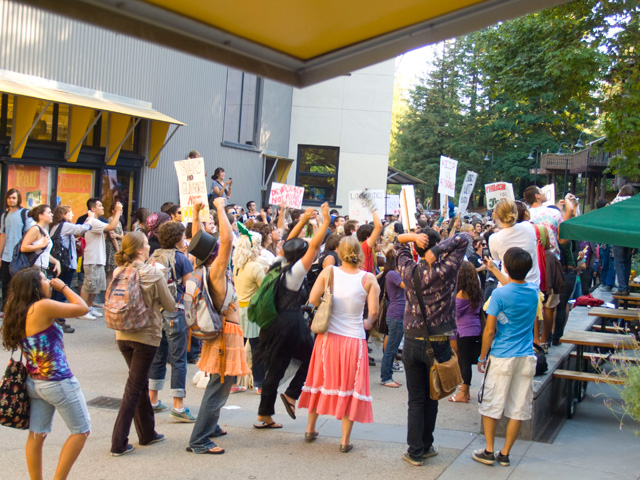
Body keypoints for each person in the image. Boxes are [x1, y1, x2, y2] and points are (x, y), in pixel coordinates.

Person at [1, 267, 90, 479]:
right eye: (43, 279)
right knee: (81, 431)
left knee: (37, 433)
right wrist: (64, 287)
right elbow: (83, 308)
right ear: (34, 287)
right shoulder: (42, 306)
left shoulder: (19, 310)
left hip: (34, 383)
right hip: (58, 382)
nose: (49, 281)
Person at [394, 227, 469, 466]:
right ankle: (426, 446)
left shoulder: (408, 269)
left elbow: (397, 242)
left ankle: (415, 451)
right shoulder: (448, 269)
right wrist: (438, 249)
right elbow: (463, 238)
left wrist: (412, 238)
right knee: (432, 396)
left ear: (416, 249)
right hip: (439, 344)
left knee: (416, 399)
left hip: (412, 342)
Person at [298, 236, 379, 452]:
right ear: (359, 254)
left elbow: (312, 300)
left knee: (320, 379)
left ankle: (310, 428)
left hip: (328, 337)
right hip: (354, 339)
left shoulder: (329, 272)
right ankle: (344, 441)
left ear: (339, 253)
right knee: (349, 386)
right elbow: (373, 312)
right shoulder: (369, 279)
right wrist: (367, 322)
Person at [254, 203, 331, 429]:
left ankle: (264, 415)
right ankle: (291, 394)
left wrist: (304, 220)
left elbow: (287, 240)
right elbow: (315, 247)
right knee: (313, 357)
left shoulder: (277, 262)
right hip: (291, 322)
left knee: (276, 368)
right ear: (300, 255)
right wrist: (324, 220)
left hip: (273, 322)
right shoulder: (296, 271)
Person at [186, 198, 251, 454]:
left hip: (223, 332)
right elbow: (226, 241)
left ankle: (210, 427)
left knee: (219, 381)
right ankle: (199, 440)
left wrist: (196, 214)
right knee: (219, 387)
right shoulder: (215, 270)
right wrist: (220, 209)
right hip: (226, 334)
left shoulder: (200, 264)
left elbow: (195, 242)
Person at [110, 231, 175, 456]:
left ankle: (147, 433)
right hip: (146, 336)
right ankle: (118, 442)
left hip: (122, 333)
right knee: (134, 387)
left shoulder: (119, 271)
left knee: (139, 384)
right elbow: (170, 305)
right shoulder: (153, 273)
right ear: (139, 249)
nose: (149, 247)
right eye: (146, 244)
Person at [473, 247, 538, 467]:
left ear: (507, 267)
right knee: (518, 408)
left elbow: (489, 330)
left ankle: (489, 450)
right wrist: (493, 269)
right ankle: (505, 453)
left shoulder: (499, 295)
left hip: (501, 356)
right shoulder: (533, 291)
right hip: (525, 357)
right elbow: (515, 285)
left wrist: (482, 358)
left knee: (492, 404)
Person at [148, 221, 195, 421]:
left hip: (155, 312)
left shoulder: (154, 255)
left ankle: (153, 399)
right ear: (178, 238)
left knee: (158, 356)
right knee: (178, 359)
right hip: (175, 310)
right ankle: (178, 405)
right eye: (183, 236)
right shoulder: (181, 258)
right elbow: (189, 287)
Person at [232, 229, 266, 394]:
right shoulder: (256, 266)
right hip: (252, 312)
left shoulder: (237, 265)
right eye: (258, 245)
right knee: (257, 348)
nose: (260, 248)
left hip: (237, 309)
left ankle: (233, 382)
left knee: (237, 348)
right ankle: (260, 384)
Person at [50, 206, 93, 333]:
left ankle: (53, 319)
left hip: (59, 263)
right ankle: (59, 321)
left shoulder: (55, 226)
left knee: (56, 293)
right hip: (66, 264)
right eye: (70, 212)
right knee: (62, 292)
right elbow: (82, 229)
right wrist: (90, 219)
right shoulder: (65, 226)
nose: (73, 214)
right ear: (64, 214)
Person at [80, 198, 123, 319]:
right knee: (88, 285)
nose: (102, 208)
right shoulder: (92, 221)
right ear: (93, 209)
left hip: (98, 258)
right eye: (100, 206)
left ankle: (88, 307)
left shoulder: (96, 221)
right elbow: (112, 226)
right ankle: (82, 311)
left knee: (95, 286)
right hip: (92, 258)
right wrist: (118, 211)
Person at [449, 261, 483, 403]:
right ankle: (464, 389)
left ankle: (464, 392)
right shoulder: (477, 292)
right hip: (475, 329)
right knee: (466, 361)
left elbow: (452, 312)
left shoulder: (462, 294)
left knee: (464, 362)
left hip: (464, 331)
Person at [488, 198, 540, 287]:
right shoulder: (529, 227)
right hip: (533, 286)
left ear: (495, 215)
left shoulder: (494, 238)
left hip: (507, 286)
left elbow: (495, 258)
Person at [0, 189, 35, 314]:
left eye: (14, 198)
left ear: (18, 199)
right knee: (5, 284)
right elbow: (2, 236)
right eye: (9, 198)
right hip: (6, 255)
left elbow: (31, 233)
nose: (11, 200)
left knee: (19, 284)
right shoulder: (4, 215)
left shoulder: (24, 213)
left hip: (20, 256)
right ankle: (5, 309)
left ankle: (18, 309)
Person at [380, 248, 405, 388]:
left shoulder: (393, 273)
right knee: (391, 348)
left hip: (397, 313)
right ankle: (385, 377)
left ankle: (388, 375)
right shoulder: (392, 274)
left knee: (393, 348)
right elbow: (407, 286)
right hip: (396, 314)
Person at [20, 205, 61, 278]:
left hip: (42, 269)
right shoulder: (35, 229)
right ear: (41, 216)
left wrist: (56, 261)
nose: (52, 215)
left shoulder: (44, 230)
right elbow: (23, 247)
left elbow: (43, 252)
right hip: (35, 269)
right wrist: (42, 245)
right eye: (49, 213)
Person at [610, 184, 635, 295]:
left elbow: (609, 212)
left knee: (619, 261)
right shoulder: (634, 202)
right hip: (630, 235)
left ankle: (622, 288)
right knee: (627, 260)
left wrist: (618, 195)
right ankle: (626, 286)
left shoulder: (617, 200)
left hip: (617, 234)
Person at [105, 203, 124, 288]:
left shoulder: (119, 222)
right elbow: (112, 237)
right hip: (112, 248)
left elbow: (122, 236)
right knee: (110, 272)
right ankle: (107, 293)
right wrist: (118, 251)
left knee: (116, 272)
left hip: (119, 246)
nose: (120, 212)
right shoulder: (110, 220)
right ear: (113, 211)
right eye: (118, 210)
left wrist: (117, 236)